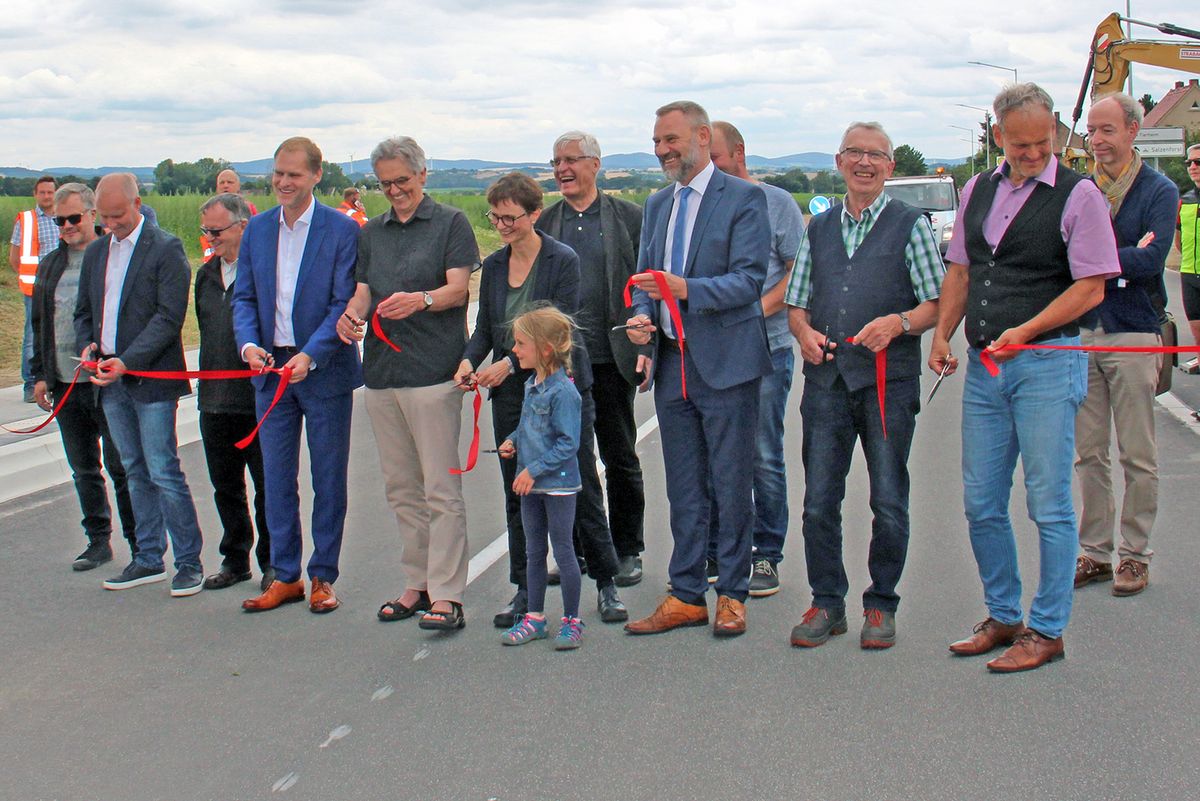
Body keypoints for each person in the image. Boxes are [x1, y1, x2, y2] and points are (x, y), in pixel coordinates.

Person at [930, 83, 1120, 673]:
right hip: (987, 367)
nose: (1033, 153)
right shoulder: (980, 188)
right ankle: (1004, 613)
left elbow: (1091, 285)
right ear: (998, 135)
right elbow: (962, 267)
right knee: (982, 502)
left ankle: (1047, 629)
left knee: (1049, 505)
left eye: (1042, 142)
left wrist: (1029, 329)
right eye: (1020, 144)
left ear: (1057, 131)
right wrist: (943, 330)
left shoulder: (1078, 194)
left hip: (1046, 362)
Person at [785, 122, 944, 650]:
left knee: (889, 499)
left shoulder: (910, 225)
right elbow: (796, 305)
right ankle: (827, 603)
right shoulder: (820, 228)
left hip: (886, 385)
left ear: (889, 167)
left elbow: (936, 304)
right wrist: (804, 334)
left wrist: (898, 323)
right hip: (827, 381)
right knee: (818, 502)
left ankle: (881, 605)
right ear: (839, 160)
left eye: (876, 155)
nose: (865, 163)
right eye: (856, 153)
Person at [623, 100, 772, 639]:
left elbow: (749, 282)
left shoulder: (744, 199)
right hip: (672, 364)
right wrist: (642, 319)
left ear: (703, 137)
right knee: (684, 486)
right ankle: (686, 594)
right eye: (657, 142)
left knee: (730, 484)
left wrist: (685, 291)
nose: (663, 151)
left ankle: (731, 594)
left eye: (671, 140)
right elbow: (644, 281)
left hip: (726, 364)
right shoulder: (658, 203)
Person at [455, 172, 617, 629]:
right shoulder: (493, 266)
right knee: (518, 488)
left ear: (534, 215)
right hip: (513, 395)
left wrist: (507, 364)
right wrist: (469, 362)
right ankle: (525, 590)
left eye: (511, 218)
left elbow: (555, 328)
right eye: (496, 217)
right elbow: (485, 326)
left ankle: (605, 582)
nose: (503, 225)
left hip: (560, 387)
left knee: (578, 481)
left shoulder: (561, 259)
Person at [337, 136, 478, 632]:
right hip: (380, 374)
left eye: (402, 180)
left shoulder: (451, 223)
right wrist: (350, 317)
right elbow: (362, 292)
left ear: (422, 175)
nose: (394, 190)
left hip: (433, 372)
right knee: (401, 488)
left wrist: (420, 300)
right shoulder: (371, 232)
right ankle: (415, 584)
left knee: (440, 489)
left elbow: (458, 288)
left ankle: (447, 594)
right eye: (385, 183)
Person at [233, 136, 363, 614]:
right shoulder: (258, 230)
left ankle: (322, 576)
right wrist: (249, 345)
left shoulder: (341, 231)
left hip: (321, 371)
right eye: (278, 173)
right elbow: (244, 297)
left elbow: (341, 303)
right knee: (275, 478)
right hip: (270, 373)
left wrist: (311, 354)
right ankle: (284, 574)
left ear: (315, 177)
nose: (284, 182)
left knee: (328, 478)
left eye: (294, 174)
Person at [74, 173, 206, 597]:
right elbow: (84, 313)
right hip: (108, 381)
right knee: (132, 470)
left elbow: (169, 318)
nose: (110, 225)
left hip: (150, 379)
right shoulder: (96, 252)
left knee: (163, 469)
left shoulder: (165, 249)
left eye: (117, 216)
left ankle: (188, 562)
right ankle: (148, 556)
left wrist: (127, 361)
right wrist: (90, 347)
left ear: (137, 203)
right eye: (104, 218)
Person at [1074, 93, 1178, 597]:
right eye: (1092, 131)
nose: (1096, 141)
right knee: (1088, 452)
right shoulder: (1079, 189)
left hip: (1134, 329)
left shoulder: (1159, 190)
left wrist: (1096, 262)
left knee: (1137, 453)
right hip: (1082, 330)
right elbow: (1062, 254)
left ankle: (1134, 556)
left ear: (1132, 131)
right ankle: (1095, 553)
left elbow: (1152, 260)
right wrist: (1118, 261)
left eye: (1106, 130)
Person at [536, 131, 646, 591]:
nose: (562, 169)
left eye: (571, 160)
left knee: (619, 457)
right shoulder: (546, 223)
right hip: (563, 365)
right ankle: (583, 551)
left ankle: (627, 550)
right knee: (573, 463)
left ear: (595, 165)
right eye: (556, 161)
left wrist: (645, 344)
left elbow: (645, 284)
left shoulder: (628, 218)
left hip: (611, 357)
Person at [709, 120, 805, 598]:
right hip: (712, 351)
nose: (712, 169)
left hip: (767, 344)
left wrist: (748, 317)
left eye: (718, 158)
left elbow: (795, 272)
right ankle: (723, 550)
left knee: (763, 453)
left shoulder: (776, 203)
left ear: (739, 152)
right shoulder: (702, 203)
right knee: (715, 455)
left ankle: (766, 554)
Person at [30, 183, 136, 571]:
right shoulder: (50, 265)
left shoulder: (112, 257)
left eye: (74, 218)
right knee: (84, 468)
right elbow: (40, 323)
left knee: (121, 465)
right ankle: (98, 539)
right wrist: (39, 375)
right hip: (63, 380)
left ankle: (139, 542)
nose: (67, 227)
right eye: (60, 221)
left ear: (93, 214)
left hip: (105, 380)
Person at [195, 193, 273, 592]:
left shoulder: (263, 271)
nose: (210, 238)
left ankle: (273, 561)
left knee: (267, 486)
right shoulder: (206, 275)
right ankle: (235, 557)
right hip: (213, 398)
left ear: (243, 225)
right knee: (225, 485)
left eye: (216, 230)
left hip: (255, 397)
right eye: (205, 230)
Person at [497, 307, 586, 650]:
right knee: (534, 550)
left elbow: (568, 443)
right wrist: (513, 440)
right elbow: (529, 425)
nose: (515, 350)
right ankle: (534, 617)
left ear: (546, 348)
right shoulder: (532, 384)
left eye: (521, 344)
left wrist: (533, 469)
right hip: (530, 483)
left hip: (557, 484)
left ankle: (572, 620)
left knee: (563, 551)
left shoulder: (564, 392)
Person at [10, 176, 60, 403]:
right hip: (35, 289)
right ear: (35, 194)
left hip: (62, 287)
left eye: (50, 192)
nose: (47, 196)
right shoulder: (27, 221)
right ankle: (30, 384)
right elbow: (15, 257)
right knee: (33, 336)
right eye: (43, 192)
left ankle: (57, 380)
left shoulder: (64, 218)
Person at [1176, 143, 1200, 374]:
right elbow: (1178, 238)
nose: (1193, 167)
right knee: (1196, 330)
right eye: (1189, 162)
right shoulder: (1186, 199)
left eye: (1198, 162)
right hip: (1189, 273)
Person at [201, 170, 258, 259]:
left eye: (230, 182)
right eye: (222, 183)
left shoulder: (248, 208)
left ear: (238, 186)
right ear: (217, 187)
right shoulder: (209, 210)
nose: (225, 185)